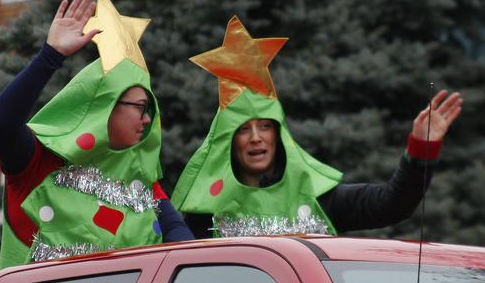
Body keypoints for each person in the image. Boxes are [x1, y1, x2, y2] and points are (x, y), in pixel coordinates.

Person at [172, 16, 462, 238]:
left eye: (265, 126)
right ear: (229, 140)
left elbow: (393, 204)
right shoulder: (204, 214)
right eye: (244, 129)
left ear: (279, 133)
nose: (256, 138)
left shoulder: (319, 196)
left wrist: (421, 148)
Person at [0, 0, 191, 269]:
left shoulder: (142, 181)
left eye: (150, 110)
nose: (147, 120)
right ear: (104, 106)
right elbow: (3, 123)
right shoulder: (40, 165)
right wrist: (50, 56)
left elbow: (182, 244)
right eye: (140, 108)